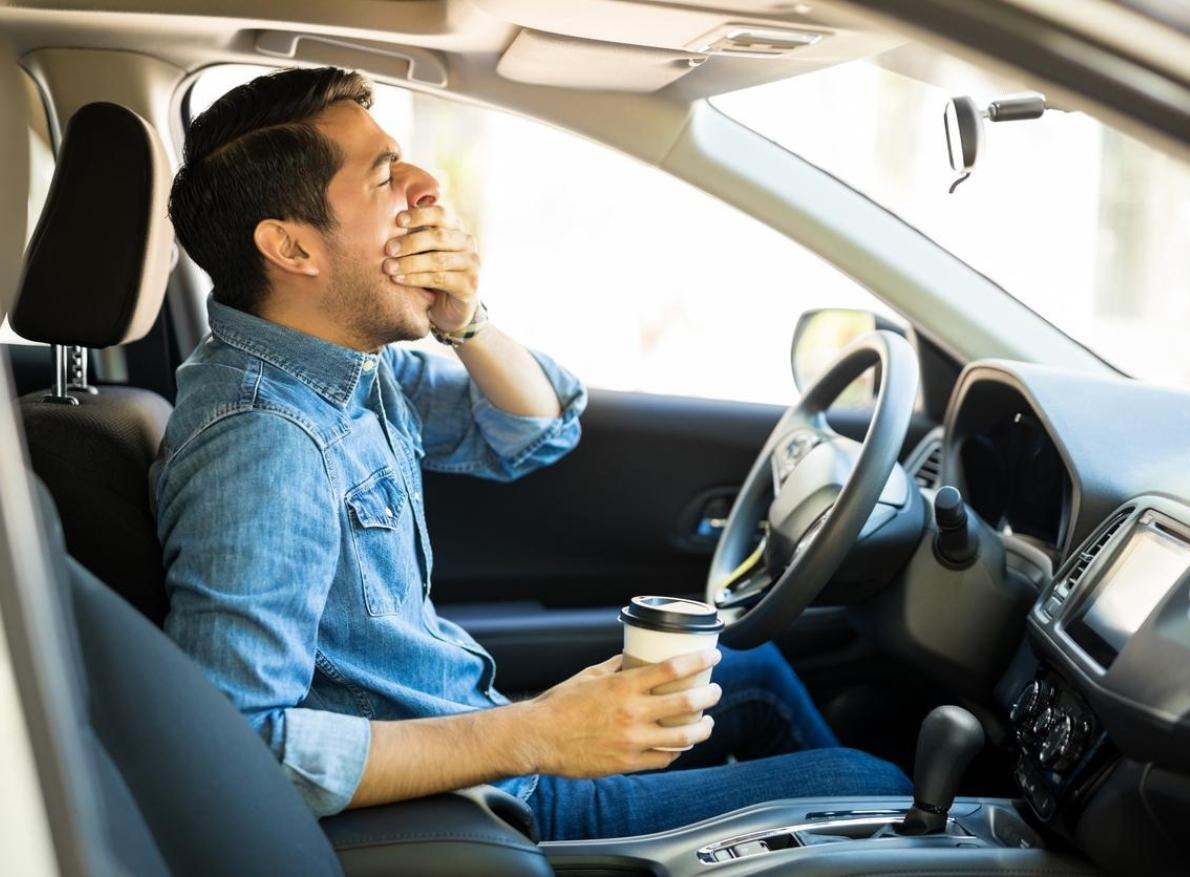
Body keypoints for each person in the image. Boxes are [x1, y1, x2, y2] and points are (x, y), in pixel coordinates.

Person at [152, 65, 909, 842]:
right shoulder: (265, 443)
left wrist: (466, 321)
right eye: (385, 179)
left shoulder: (339, 368)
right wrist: (539, 733)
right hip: (486, 801)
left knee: (757, 674)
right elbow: (239, 748)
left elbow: (532, 426)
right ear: (290, 246)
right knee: (872, 790)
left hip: (479, 736)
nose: (424, 188)